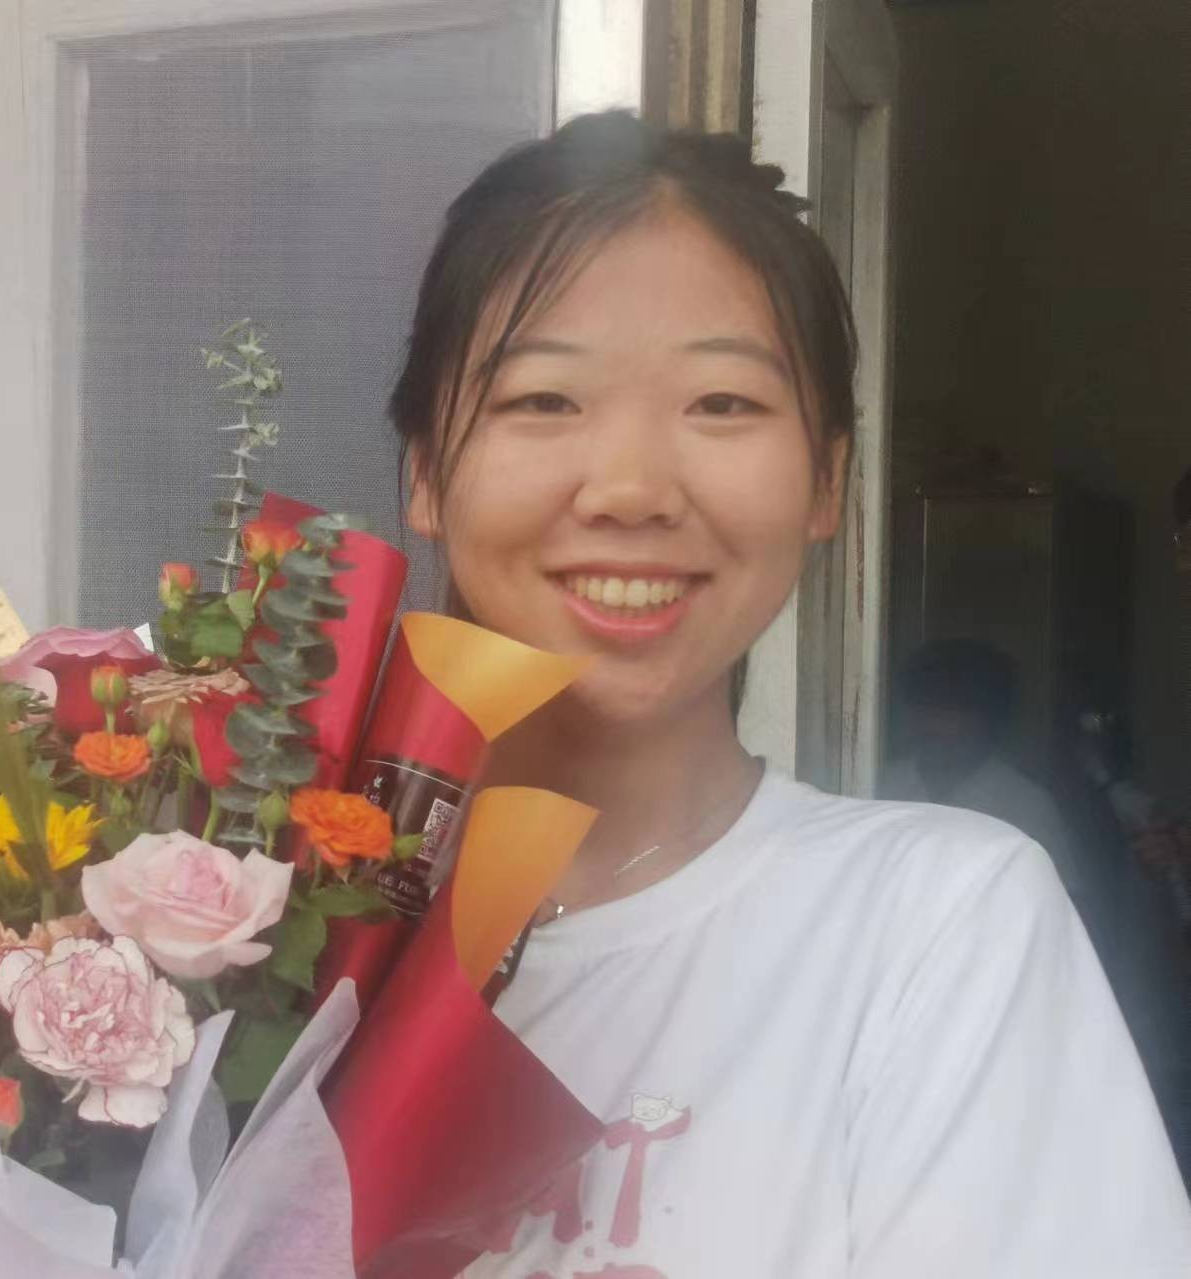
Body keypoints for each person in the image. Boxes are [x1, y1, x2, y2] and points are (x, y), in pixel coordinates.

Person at [386, 111, 1191, 1276]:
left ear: (826, 479)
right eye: (542, 400)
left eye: (721, 403)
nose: (629, 488)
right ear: (423, 468)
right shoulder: (251, 912)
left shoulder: (931, 926)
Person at [880, 640, 1078, 891]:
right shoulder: (881, 785)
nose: (938, 724)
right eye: (928, 708)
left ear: (989, 718)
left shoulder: (1027, 806)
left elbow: (1056, 899)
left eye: (954, 711)